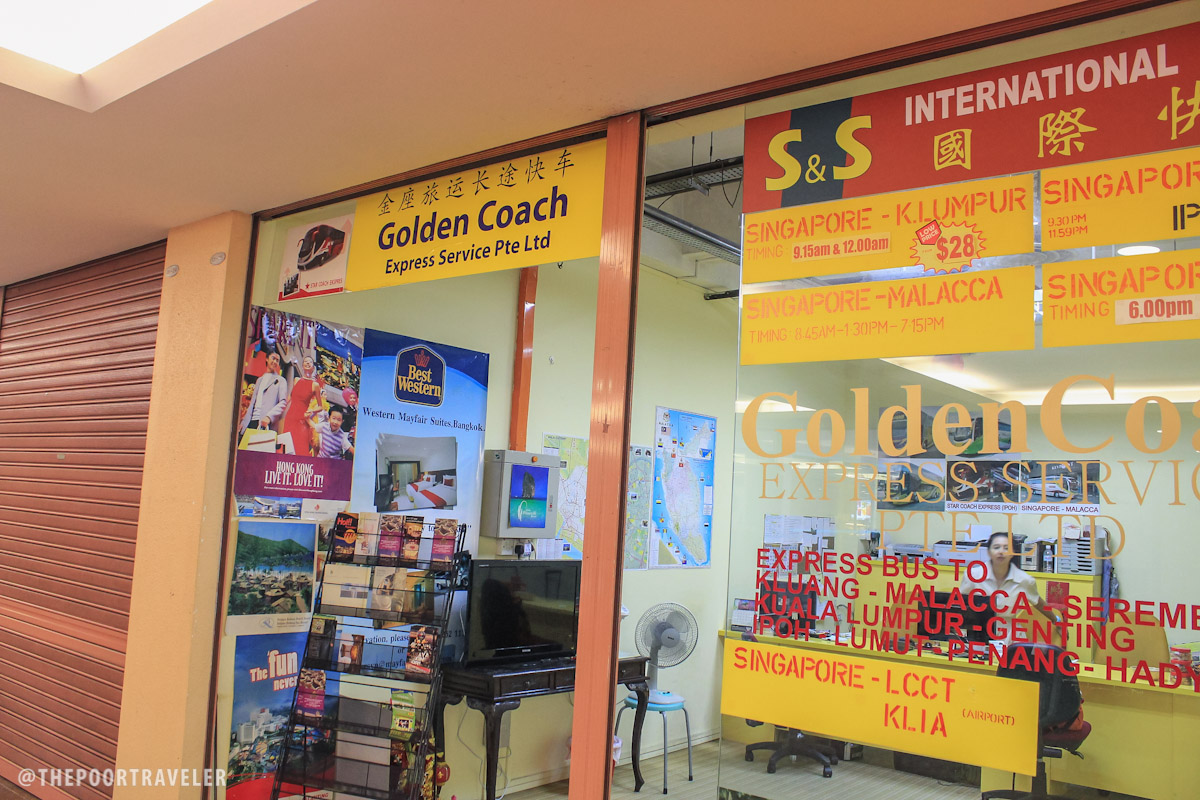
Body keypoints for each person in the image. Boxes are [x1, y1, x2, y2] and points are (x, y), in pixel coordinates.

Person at [960, 531, 1060, 642]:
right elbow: (959, 605)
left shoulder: (1024, 580)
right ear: (989, 552)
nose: (1001, 552)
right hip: (978, 634)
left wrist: (1056, 621)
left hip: (1010, 636)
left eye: (1006, 548)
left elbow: (1039, 603)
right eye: (996, 547)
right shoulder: (973, 575)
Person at [281, 355, 324, 456]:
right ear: (302, 366)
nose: (308, 363)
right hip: (290, 417)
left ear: (313, 368)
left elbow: (320, 406)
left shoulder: (315, 385)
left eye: (310, 362)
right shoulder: (296, 380)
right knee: (287, 446)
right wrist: (280, 409)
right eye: (305, 361)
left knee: (300, 448)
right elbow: (290, 397)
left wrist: (312, 411)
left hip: (302, 420)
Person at [239, 352, 288, 435]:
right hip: (251, 422)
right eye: (273, 358)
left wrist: (269, 417)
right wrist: (243, 422)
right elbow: (252, 403)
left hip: (265, 423)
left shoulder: (281, 380)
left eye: (277, 360)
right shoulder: (259, 380)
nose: (275, 362)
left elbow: (283, 403)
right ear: (267, 359)